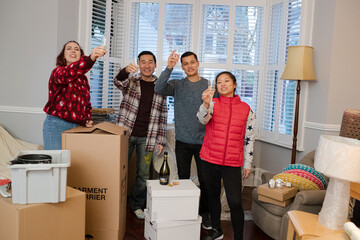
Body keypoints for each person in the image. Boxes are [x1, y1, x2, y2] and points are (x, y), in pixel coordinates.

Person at [154, 50, 211, 228]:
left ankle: (204, 214)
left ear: (198, 63)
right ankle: (187, 211)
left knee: (205, 180)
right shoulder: (177, 84)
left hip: (204, 143)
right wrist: (169, 67)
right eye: (185, 63)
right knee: (184, 179)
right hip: (183, 142)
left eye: (192, 62)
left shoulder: (209, 85)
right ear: (182, 66)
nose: (189, 66)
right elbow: (158, 88)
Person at [197, 71, 255, 240]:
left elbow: (249, 138)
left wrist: (247, 163)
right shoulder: (212, 103)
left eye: (226, 81)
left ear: (234, 84)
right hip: (209, 159)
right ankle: (216, 230)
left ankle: (238, 237)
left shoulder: (246, 109)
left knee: (235, 201)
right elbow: (202, 119)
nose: (223, 84)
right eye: (219, 82)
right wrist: (206, 104)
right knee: (213, 197)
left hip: (232, 163)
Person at [113, 51, 167, 219]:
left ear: (155, 65)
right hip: (125, 134)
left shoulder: (161, 86)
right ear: (138, 64)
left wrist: (161, 139)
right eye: (143, 62)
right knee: (116, 169)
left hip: (148, 138)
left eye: (150, 62)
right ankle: (114, 202)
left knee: (143, 174)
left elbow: (163, 114)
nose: (146, 65)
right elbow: (117, 82)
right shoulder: (132, 81)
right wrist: (125, 71)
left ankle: (136, 205)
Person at [43, 40, 106, 150]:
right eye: (69, 48)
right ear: (63, 56)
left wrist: (86, 119)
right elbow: (71, 71)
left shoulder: (83, 79)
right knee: (57, 163)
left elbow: (86, 104)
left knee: (73, 164)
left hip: (76, 126)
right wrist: (90, 58)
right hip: (56, 124)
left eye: (77, 49)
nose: (73, 50)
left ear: (80, 56)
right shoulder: (58, 72)